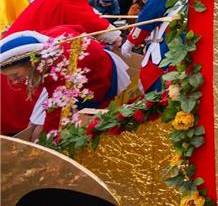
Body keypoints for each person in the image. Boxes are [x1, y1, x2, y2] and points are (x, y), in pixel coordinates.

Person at [0, 28, 128, 139]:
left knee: (44, 132)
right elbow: (75, 27)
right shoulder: (45, 44)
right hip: (66, 76)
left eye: (15, 75)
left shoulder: (61, 72)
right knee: (35, 124)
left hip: (94, 80)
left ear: (31, 63)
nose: (15, 81)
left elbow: (57, 115)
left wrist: (48, 143)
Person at [121, 0, 185, 92]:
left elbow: (152, 10)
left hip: (167, 35)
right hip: (173, 33)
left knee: (157, 80)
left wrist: (132, 39)